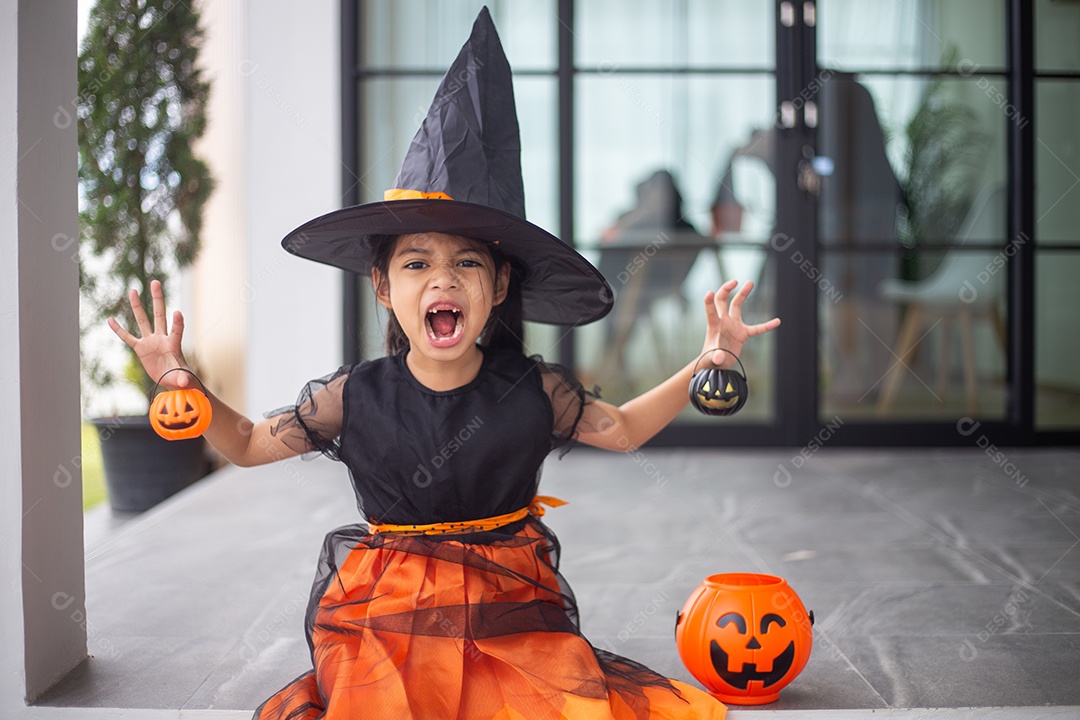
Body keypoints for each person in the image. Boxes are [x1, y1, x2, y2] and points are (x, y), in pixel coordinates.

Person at [110, 9, 779, 719]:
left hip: (510, 614)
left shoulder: (530, 389)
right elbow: (244, 445)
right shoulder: (354, 395)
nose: (443, 281)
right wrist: (184, 385)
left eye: (467, 263)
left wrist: (708, 358)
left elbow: (621, 429)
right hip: (388, 621)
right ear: (383, 286)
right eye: (417, 263)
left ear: (496, 287)